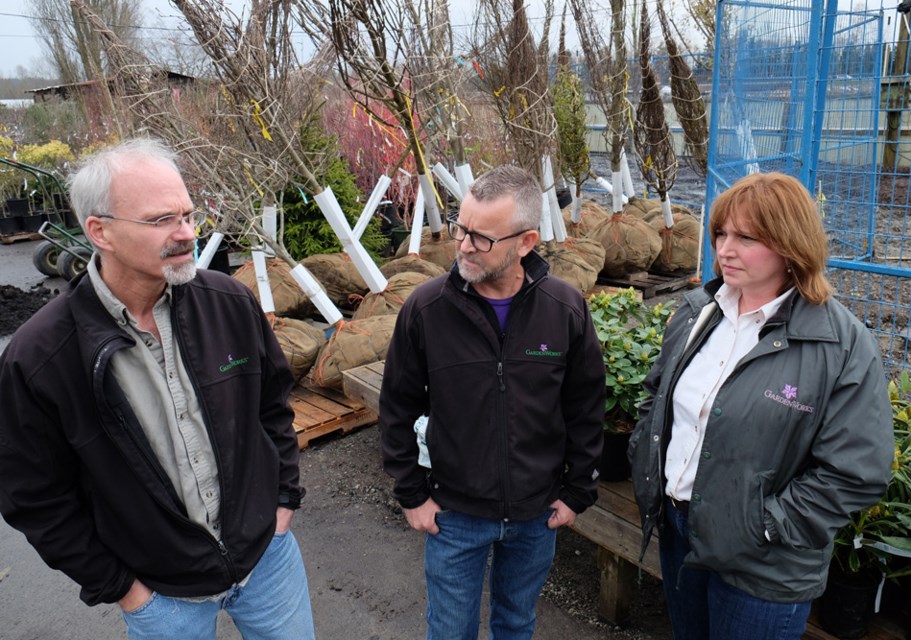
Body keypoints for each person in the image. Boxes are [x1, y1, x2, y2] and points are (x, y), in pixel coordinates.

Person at [0, 138, 314, 640]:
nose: (186, 233)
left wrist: (282, 502)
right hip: (162, 598)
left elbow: (273, 408)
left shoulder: (229, 303)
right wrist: (123, 587)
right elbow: (34, 498)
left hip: (269, 561)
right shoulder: (41, 358)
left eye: (188, 215)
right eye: (161, 220)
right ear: (99, 231)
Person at [629, 171, 894, 640]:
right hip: (678, 530)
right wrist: (645, 465)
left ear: (791, 246)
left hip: (765, 564)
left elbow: (858, 470)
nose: (724, 250)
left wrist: (765, 527)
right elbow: (658, 397)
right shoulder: (698, 311)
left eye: (746, 237)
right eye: (721, 233)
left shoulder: (840, 344)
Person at [379, 165, 605, 639]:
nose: (462, 245)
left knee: (516, 624)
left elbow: (585, 407)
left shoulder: (565, 310)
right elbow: (397, 406)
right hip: (454, 515)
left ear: (526, 242)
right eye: (462, 229)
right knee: (450, 631)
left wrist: (577, 490)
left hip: (535, 514)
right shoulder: (426, 310)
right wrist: (412, 494)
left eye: (482, 238)